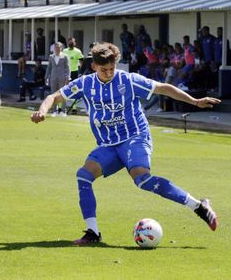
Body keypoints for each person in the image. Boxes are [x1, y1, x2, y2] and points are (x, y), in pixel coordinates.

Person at [31, 42, 220, 245]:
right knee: (84, 176)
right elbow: (53, 96)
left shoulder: (128, 80)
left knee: (142, 179)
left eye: (112, 68)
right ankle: (93, 233)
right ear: (94, 66)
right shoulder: (85, 83)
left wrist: (195, 101)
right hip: (108, 145)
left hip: (135, 137)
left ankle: (199, 206)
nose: (109, 73)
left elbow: (163, 88)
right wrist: (42, 111)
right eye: (104, 70)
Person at [45, 42, 70, 115]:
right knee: (53, 94)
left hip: (62, 77)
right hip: (53, 78)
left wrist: (68, 77)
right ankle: (54, 111)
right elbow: (49, 67)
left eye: (59, 47)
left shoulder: (65, 56)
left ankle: (63, 111)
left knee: (63, 94)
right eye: (56, 48)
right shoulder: (51, 56)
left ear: (61, 48)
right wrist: (46, 77)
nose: (57, 49)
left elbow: (68, 67)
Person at [63, 37, 84, 114]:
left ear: (75, 43)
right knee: (63, 89)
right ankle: (60, 108)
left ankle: (74, 108)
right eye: (69, 42)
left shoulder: (77, 51)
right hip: (65, 73)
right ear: (68, 43)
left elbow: (82, 63)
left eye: (72, 42)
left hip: (74, 72)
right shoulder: (64, 51)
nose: (71, 43)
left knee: (74, 90)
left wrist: (81, 72)